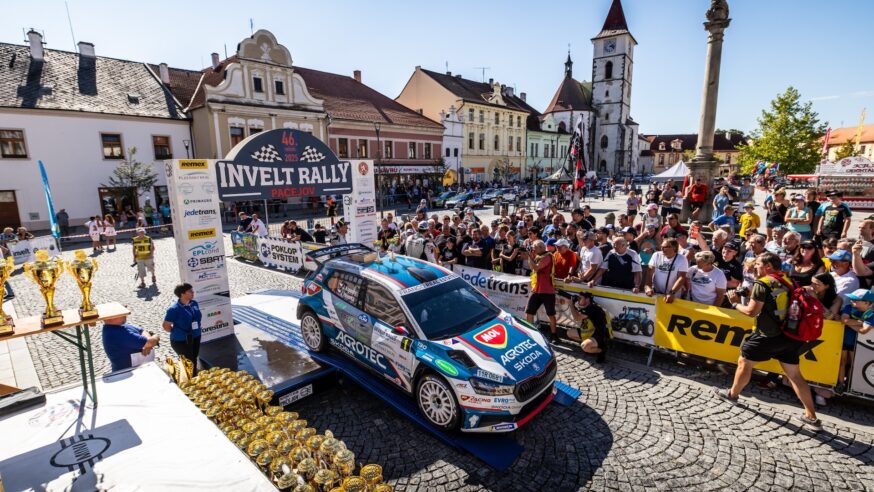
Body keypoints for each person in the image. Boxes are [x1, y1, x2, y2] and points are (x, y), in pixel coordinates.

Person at [716, 252, 822, 431]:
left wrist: (734, 303)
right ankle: (811, 417)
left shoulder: (762, 283)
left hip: (767, 335)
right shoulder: (787, 280)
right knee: (795, 375)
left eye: (757, 264)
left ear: (768, 267)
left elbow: (752, 312)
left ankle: (732, 395)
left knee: (744, 361)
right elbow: (778, 300)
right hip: (790, 335)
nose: (754, 267)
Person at [836, 288, 874, 395]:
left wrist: (848, 323)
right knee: (842, 362)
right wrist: (860, 322)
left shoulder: (871, 314)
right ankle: (840, 384)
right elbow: (845, 320)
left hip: (859, 344)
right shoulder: (848, 307)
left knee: (853, 364)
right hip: (844, 340)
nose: (852, 302)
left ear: (867, 303)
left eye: (855, 300)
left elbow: (863, 331)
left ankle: (849, 384)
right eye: (852, 299)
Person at [163, 283, 203, 376]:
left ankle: (194, 376)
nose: (193, 292)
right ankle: (190, 380)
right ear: (182, 294)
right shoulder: (174, 309)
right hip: (181, 340)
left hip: (196, 336)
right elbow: (166, 325)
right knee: (188, 360)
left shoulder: (194, 303)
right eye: (190, 291)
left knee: (194, 357)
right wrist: (176, 331)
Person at [525, 240, 558, 343]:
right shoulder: (538, 257)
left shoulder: (547, 256)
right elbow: (532, 268)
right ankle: (530, 333)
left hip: (547, 291)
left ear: (541, 248)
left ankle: (554, 335)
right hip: (537, 289)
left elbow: (536, 267)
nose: (533, 250)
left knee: (550, 314)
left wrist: (530, 256)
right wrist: (531, 257)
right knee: (529, 312)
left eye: (534, 248)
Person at [565, 292, 610, 363]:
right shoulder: (589, 306)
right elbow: (579, 312)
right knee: (569, 333)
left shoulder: (591, 309)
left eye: (580, 298)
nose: (578, 300)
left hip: (599, 335)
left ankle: (601, 350)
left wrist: (571, 305)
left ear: (587, 300)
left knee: (584, 347)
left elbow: (576, 317)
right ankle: (589, 345)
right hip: (589, 331)